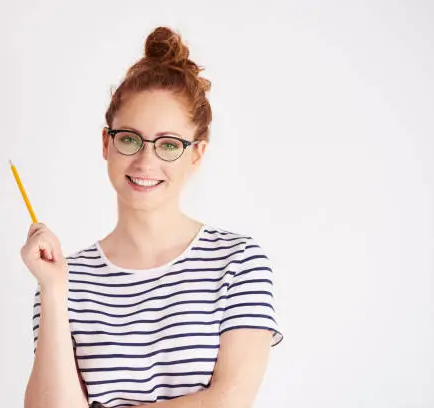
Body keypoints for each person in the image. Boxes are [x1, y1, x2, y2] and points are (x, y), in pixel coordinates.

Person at [22, 26, 283, 408]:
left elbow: (230, 401)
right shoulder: (64, 280)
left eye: (169, 145)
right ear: (106, 143)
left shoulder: (238, 262)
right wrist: (54, 290)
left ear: (196, 154)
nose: (146, 161)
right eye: (129, 138)